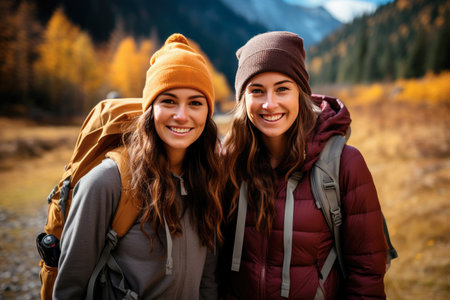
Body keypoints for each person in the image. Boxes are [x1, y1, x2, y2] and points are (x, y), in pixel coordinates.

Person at [219, 31, 387, 299]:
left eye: (282, 88)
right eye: (257, 90)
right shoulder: (227, 162)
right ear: (243, 99)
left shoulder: (344, 164)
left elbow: (367, 272)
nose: (269, 103)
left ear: (301, 93)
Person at [53, 33, 223, 299]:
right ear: (150, 108)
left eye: (195, 103)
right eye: (168, 100)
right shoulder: (106, 183)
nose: (182, 115)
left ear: (207, 113)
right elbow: (68, 290)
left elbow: (207, 280)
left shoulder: (209, 179)